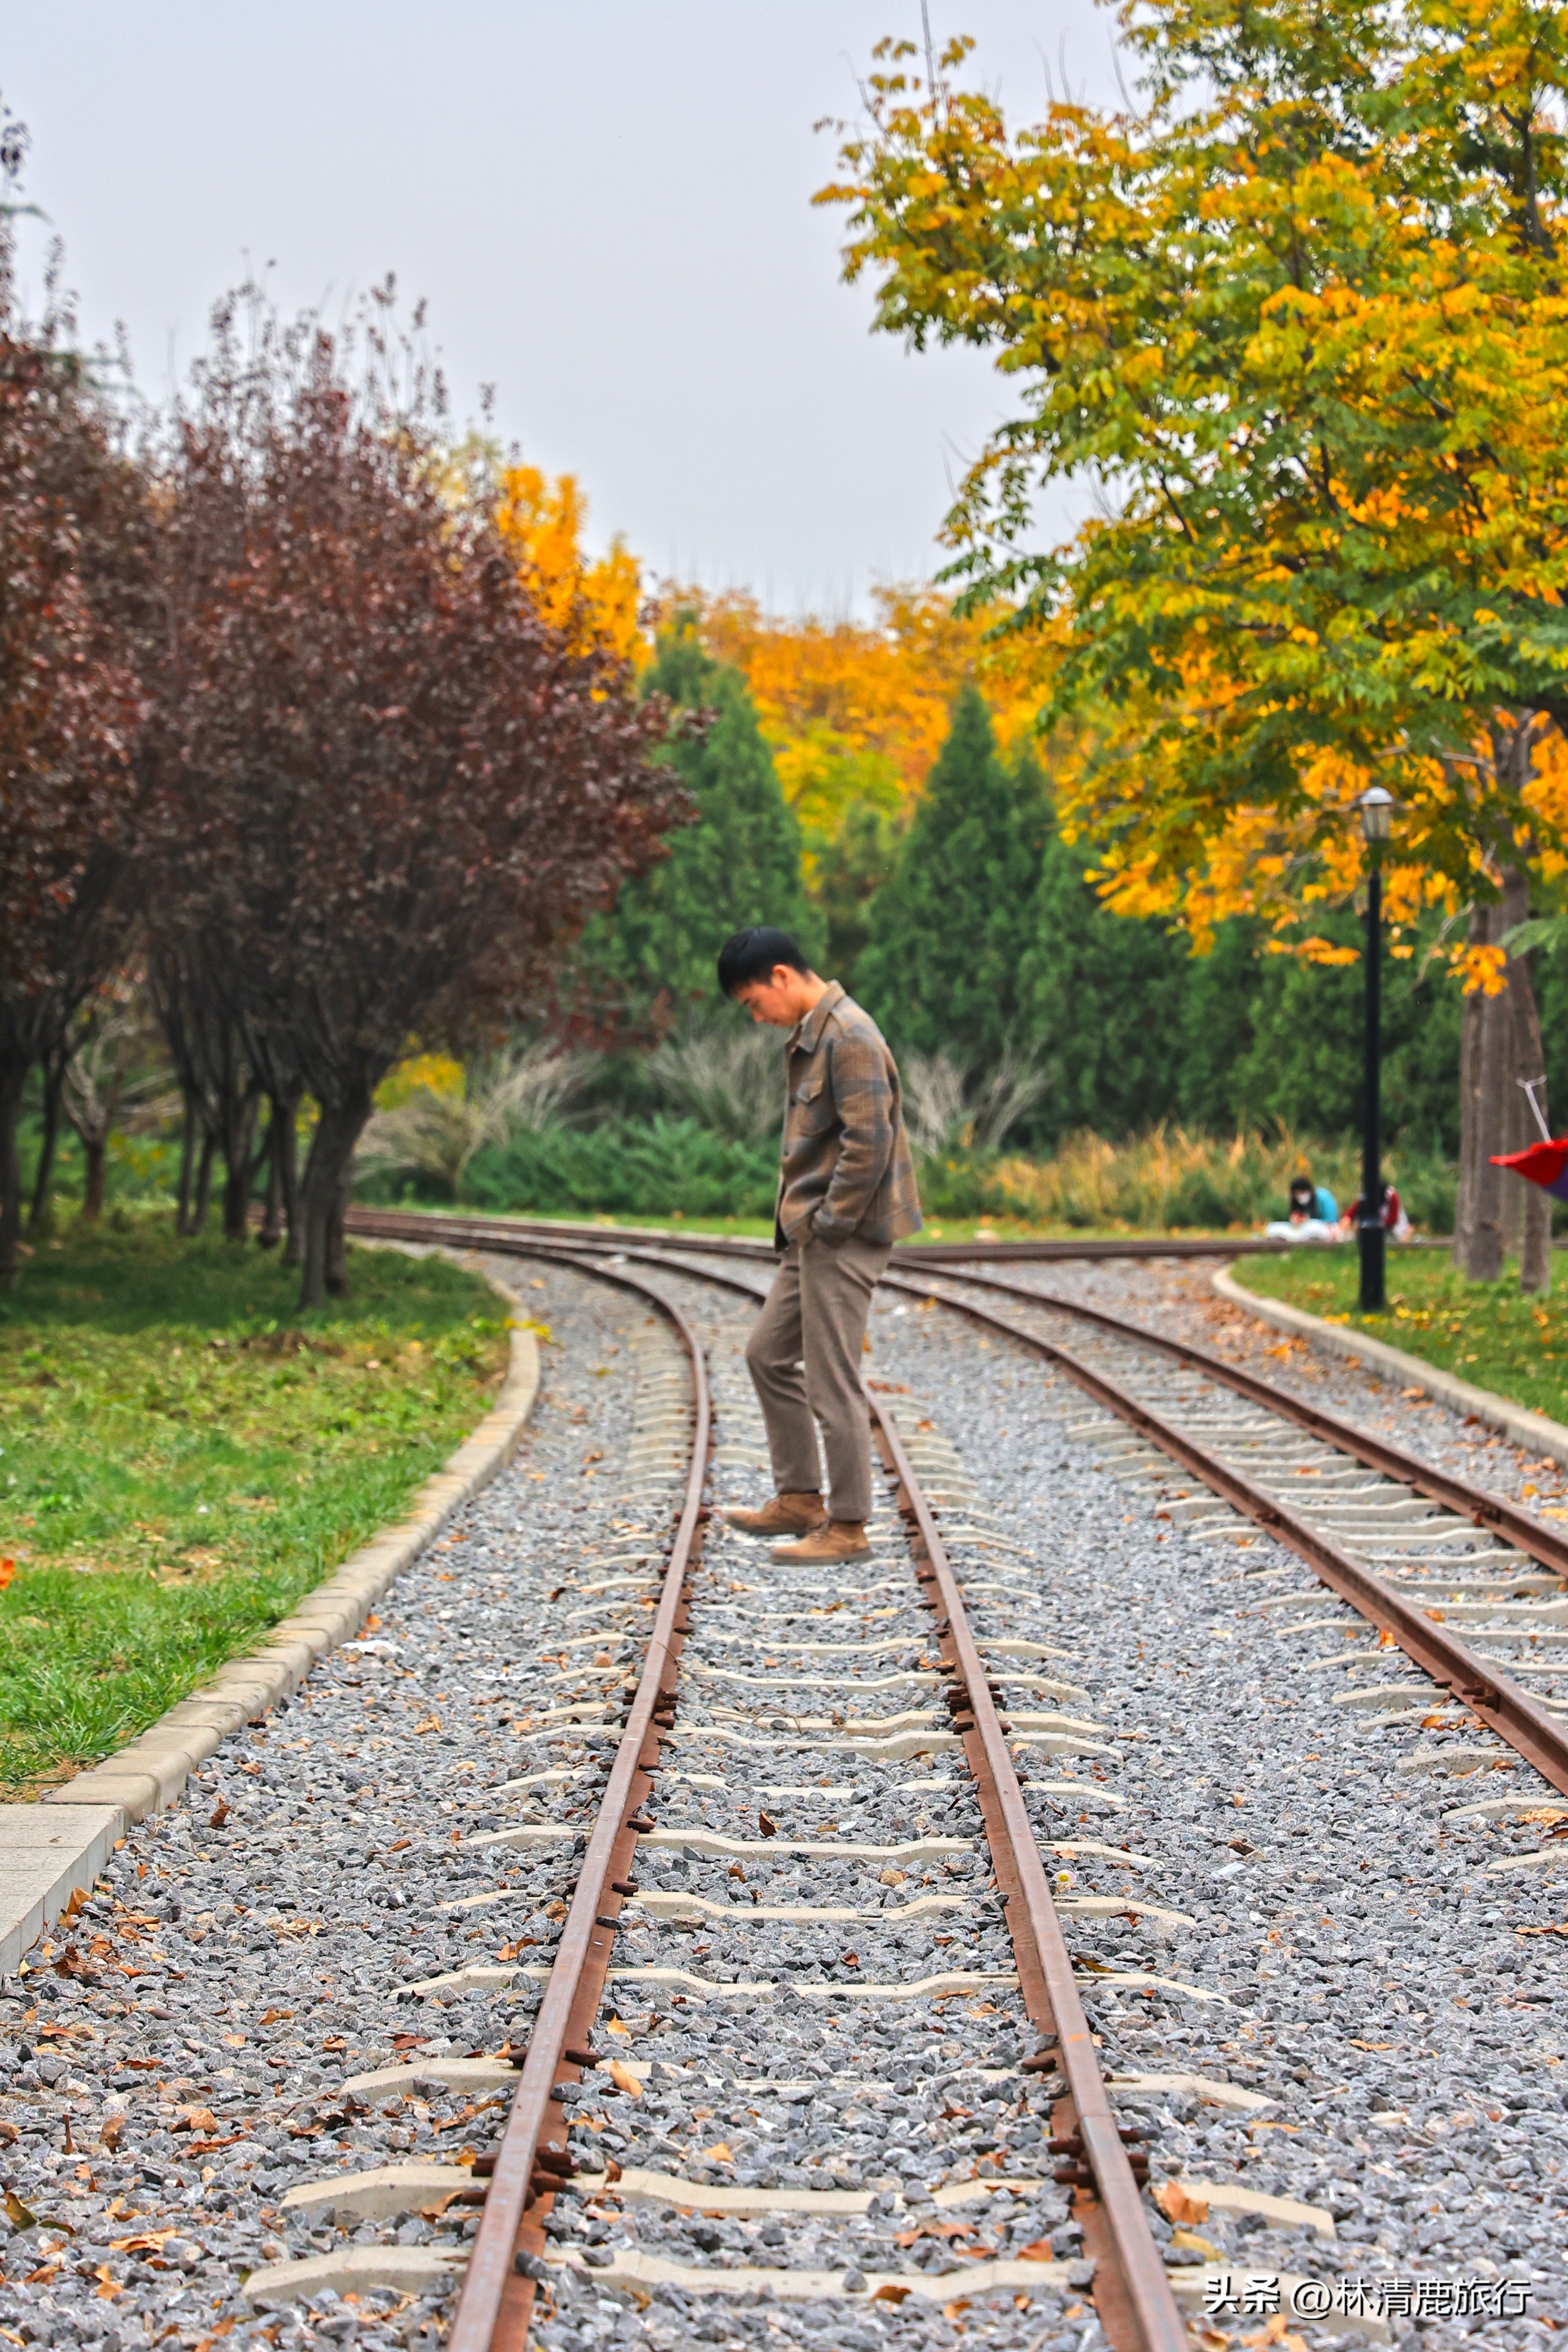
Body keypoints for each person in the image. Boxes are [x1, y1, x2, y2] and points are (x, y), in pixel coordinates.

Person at [715, 926, 923, 1565]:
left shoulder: (850, 1035)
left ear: (782, 975)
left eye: (754, 1002)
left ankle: (850, 1526)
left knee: (832, 1380)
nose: (756, 1017)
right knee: (766, 1355)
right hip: (814, 1233)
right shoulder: (813, 1034)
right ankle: (801, 1497)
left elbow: (870, 1143)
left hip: (844, 1234)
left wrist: (832, 1223)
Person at [1264, 1174, 1341, 1242]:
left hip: (1324, 1228)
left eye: (1302, 1193)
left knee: (1314, 1227)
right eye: (1297, 1194)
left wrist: (1309, 1221)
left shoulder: (1323, 1197)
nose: (1300, 1197)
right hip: (1304, 1230)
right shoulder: (1298, 1202)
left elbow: (1331, 1220)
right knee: (1271, 1228)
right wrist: (1297, 1220)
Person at [1340, 1184, 1412, 1243]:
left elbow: (1393, 1220)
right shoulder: (1366, 1195)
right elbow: (1353, 1210)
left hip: (1396, 1229)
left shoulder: (1391, 1196)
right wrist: (1347, 1219)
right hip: (1380, 1227)